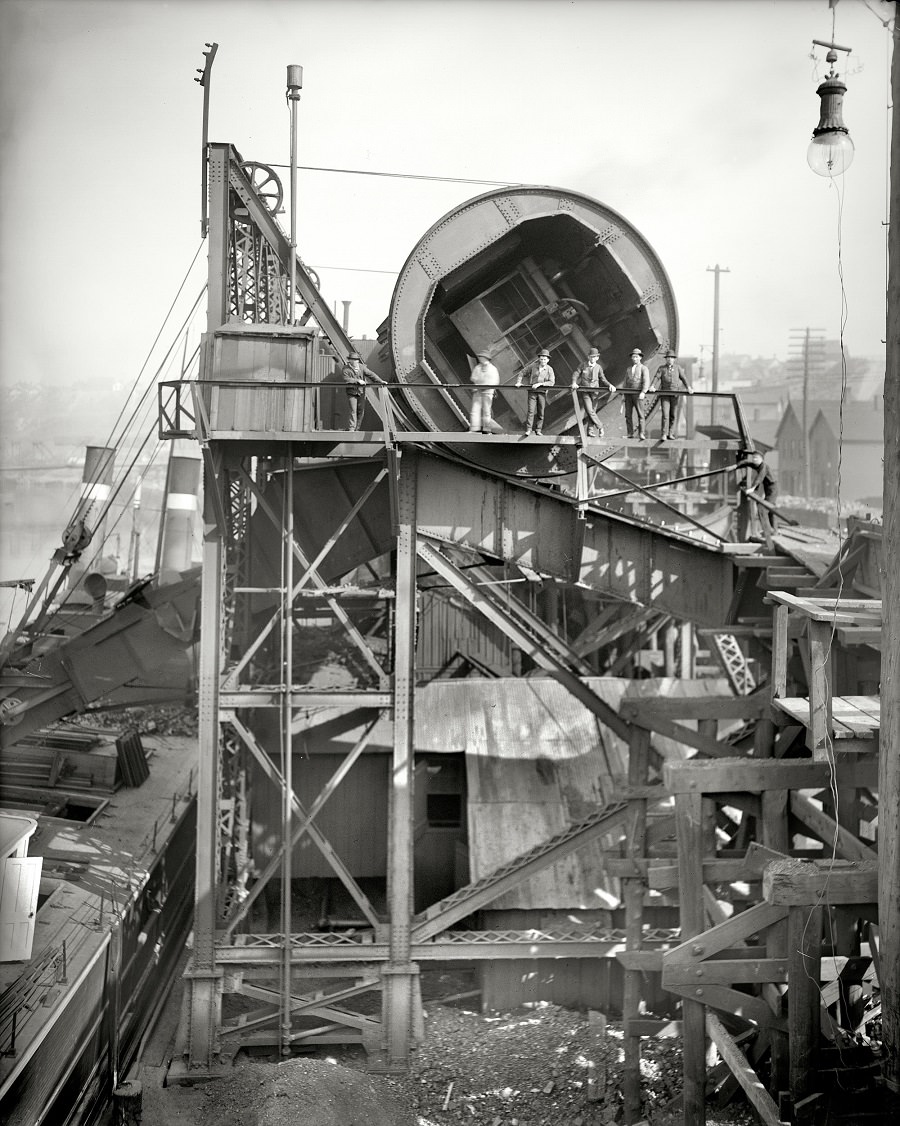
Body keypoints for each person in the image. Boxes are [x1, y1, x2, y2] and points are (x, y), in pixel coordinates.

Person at [571, 347, 616, 437]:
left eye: (595, 357)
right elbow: (576, 373)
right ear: (588, 357)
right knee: (589, 410)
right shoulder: (583, 365)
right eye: (591, 357)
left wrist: (610, 385)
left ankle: (590, 431)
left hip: (595, 392)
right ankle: (600, 427)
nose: (593, 358)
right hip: (586, 391)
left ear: (597, 358)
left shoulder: (599, 367)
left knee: (592, 412)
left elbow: (603, 379)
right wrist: (574, 382)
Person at [735, 449, 779, 539]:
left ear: (761, 459)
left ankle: (768, 531)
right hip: (769, 488)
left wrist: (751, 489)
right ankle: (774, 531)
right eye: (754, 458)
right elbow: (747, 463)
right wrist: (736, 466)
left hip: (772, 489)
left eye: (756, 458)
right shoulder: (757, 465)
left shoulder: (763, 467)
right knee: (770, 509)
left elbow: (759, 478)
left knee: (762, 508)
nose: (754, 460)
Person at [341, 350, 386, 431]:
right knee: (353, 410)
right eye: (353, 359)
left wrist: (380, 381)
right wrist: (357, 381)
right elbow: (346, 379)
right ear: (350, 360)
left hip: (361, 392)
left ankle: (357, 429)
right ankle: (351, 429)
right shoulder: (345, 369)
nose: (355, 361)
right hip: (351, 392)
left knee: (361, 411)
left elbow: (371, 374)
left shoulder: (362, 367)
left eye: (356, 360)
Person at [515, 348, 555, 435]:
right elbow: (522, 372)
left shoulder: (549, 369)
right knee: (531, 411)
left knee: (541, 412)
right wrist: (519, 382)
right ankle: (529, 429)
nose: (543, 361)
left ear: (548, 360)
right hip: (532, 392)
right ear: (539, 359)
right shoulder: (533, 366)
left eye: (545, 359)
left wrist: (540, 384)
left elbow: (552, 382)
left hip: (542, 393)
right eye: (541, 359)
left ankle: (538, 430)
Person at [655, 349, 692, 439]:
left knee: (673, 415)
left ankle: (670, 433)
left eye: (671, 358)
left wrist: (689, 387)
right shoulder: (662, 368)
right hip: (664, 395)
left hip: (675, 395)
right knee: (665, 414)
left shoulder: (678, 368)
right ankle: (664, 434)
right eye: (668, 358)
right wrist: (652, 386)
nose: (670, 359)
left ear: (674, 359)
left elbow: (684, 378)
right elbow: (656, 378)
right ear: (666, 359)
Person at [468, 351, 502, 433]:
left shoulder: (493, 369)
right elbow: (473, 378)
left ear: (485, 358)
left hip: (487, 393)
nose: (479, 358)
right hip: (478, 392)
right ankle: (473, 429)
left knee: (486, 412)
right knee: (475, 411)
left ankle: (487, 430)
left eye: (481, 357)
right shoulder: (478, 368)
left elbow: (495, 382)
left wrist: (485, 386)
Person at [623, 347, 651, 439]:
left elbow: (646, 381)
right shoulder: (628, 369)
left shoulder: (644, 368)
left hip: (638, 394)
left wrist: (643, 392)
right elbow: (625, 382)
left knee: (640, 414)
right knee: (628, 415)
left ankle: (641, 433)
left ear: (640, 358)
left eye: (636, 357)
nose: (635, 359)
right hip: (628, 394)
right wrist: (624, 394)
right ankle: (630, 433)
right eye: (633, 357)